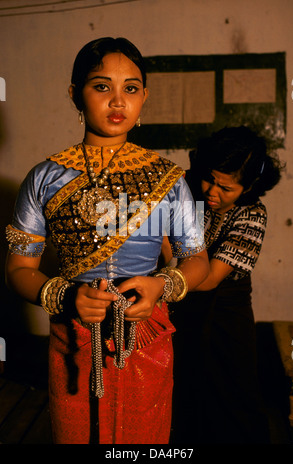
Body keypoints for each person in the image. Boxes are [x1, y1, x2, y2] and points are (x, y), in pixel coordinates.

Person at [5, 37, 209, 445]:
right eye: (102, 87)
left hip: (146, 332)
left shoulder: (169, 178)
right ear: (75, 95)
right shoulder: (44, 178)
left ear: (144, 97)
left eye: (130, 89)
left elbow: (197, 259)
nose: (118, 101)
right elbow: (18, 269)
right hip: (73, 339)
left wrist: (161, 285)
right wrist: (65, 297)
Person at [169, 125, 284, 444]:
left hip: (226, 310)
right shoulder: (187, 189)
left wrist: (166, 275)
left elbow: (207, 280)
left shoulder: (252, 215)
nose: (211, 192)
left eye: (226, 188)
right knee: (185, 392)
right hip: (183, 308)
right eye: (210, 178)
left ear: (249, 187)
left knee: (234, 393)